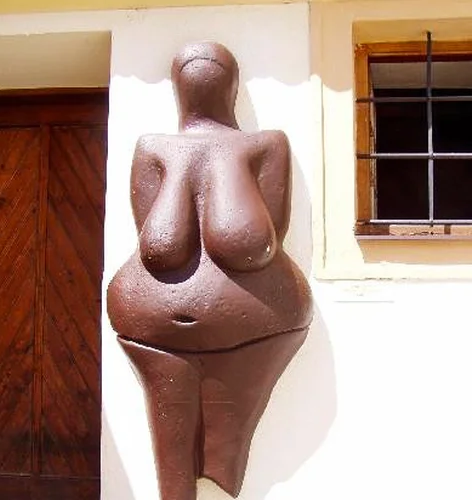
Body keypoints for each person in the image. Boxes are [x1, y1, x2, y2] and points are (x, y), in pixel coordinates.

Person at [107, 41, 313, 500]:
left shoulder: (265, 144)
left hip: (247, 330)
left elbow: (264, 236)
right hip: (156, 330)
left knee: (199, 452)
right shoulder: (154, 147)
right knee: (173, 458)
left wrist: (219, 157)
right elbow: (154, 239)